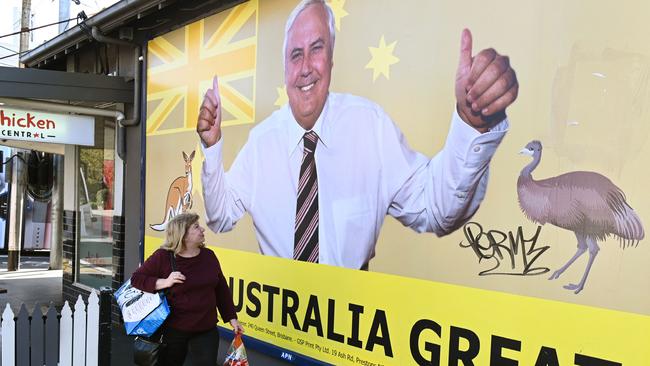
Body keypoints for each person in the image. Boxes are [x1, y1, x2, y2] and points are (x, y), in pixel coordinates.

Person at [197, 0, 518, 269]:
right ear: (284, 68)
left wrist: (471, 122)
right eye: (296, 55)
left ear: (332, 59)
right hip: (279, 328)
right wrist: (211, 149)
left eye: (316, 48)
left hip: (345, 337)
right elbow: (221, 216)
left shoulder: (370, 126)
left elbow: (437, 210)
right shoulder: (261, 142)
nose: (306, 66)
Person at [131, 212, 244, 365]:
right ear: (182, 235)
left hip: (206, 328)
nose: (203, 229)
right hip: (173, 330)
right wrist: (165, 282)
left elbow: (221, 289)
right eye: (196, 227)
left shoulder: (209, 256)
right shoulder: (163, 256)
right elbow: (137, 279)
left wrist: (232, 318)